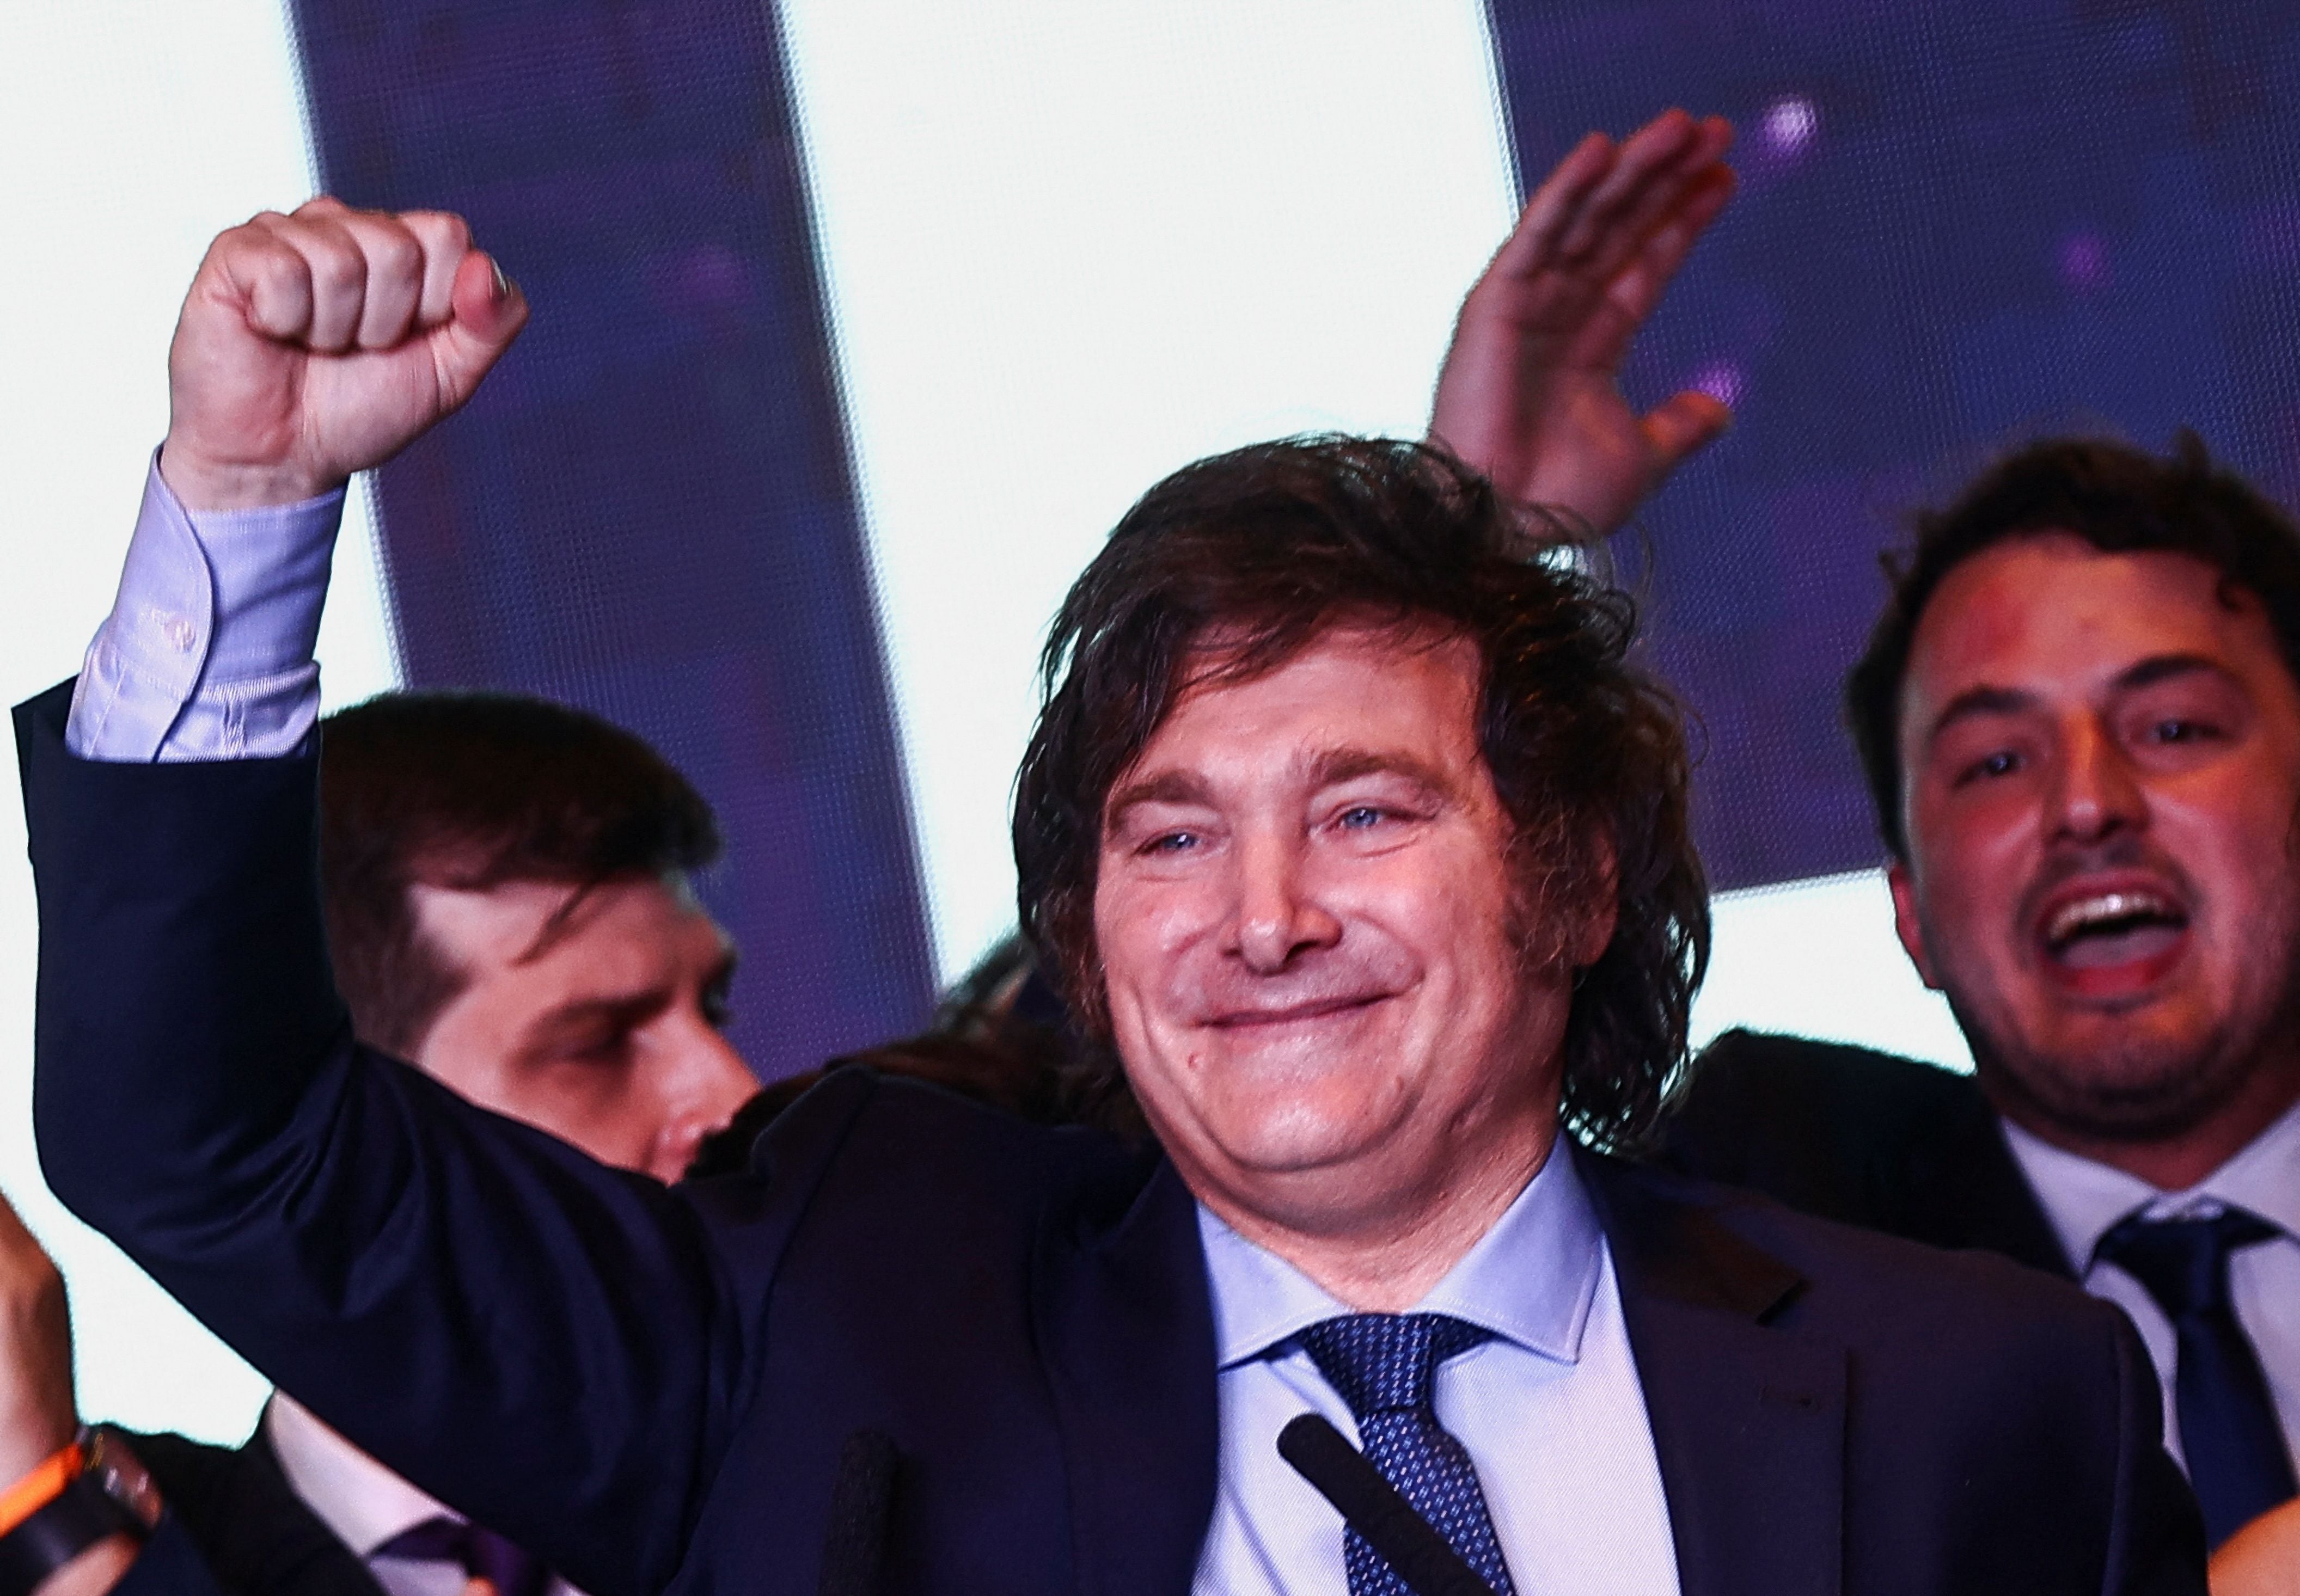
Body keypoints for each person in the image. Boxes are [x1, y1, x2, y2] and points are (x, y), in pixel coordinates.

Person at [16, 129, 2203, 1594]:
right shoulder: (834, 1326)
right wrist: (244, 507)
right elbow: (204, 1139)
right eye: (1171, 834)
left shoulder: (1983, 1399)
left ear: (1576, 873)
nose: (1264, 918)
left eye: (1363, 811)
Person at [1652, 436, 2300, 1560]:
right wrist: (1516, 531)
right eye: (1997, 762)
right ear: (1910, 912)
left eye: (2175, 728)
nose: (2088, 805)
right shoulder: (1776, 1191)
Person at [4, 689, 760, 1596]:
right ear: (353, 1114)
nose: (736, 1097)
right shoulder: (140, 1527)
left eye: (713, 1009)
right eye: (595, 1045)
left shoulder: (840, 1470)